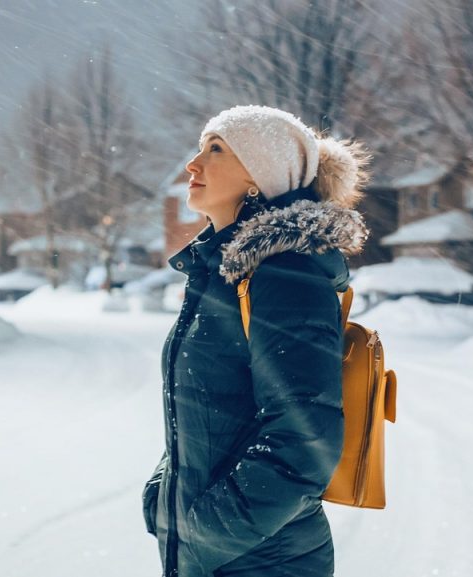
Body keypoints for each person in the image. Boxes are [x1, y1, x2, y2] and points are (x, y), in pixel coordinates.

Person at [142, 105, 370, 577]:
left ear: (259, 178)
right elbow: (211, 410)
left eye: (216, 149)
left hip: (263, 561)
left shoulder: (284, 273)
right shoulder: (222, 273)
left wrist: (206, 531)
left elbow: (304, 439)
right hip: (223, 555)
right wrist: (164, 497)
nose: (193, 163)